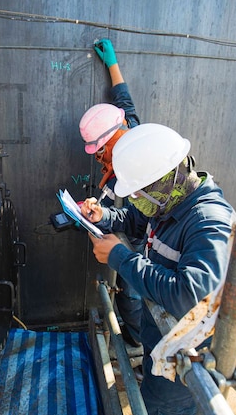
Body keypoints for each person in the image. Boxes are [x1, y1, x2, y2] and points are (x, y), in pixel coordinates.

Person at [81, 123, 235, 415]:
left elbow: (191, 297)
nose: (135, 199)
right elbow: (137, 220)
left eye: (138, 193)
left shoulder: (209, 222)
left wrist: (120, 257)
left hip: (187, 359)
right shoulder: (171, 202)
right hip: (162, 339)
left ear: (161, 182)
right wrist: (104, 216)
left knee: (160, 408)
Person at [78, 38, 143, 347]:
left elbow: (137, 222)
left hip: (150, 243)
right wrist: (113, 65)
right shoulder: (131, 132)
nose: (97, 156)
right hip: (140, 227)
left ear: (112, 141)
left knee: (132, 290)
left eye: (99, 150)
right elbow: (125, 101)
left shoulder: (140, 171)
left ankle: (139, 342)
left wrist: (106, 219)